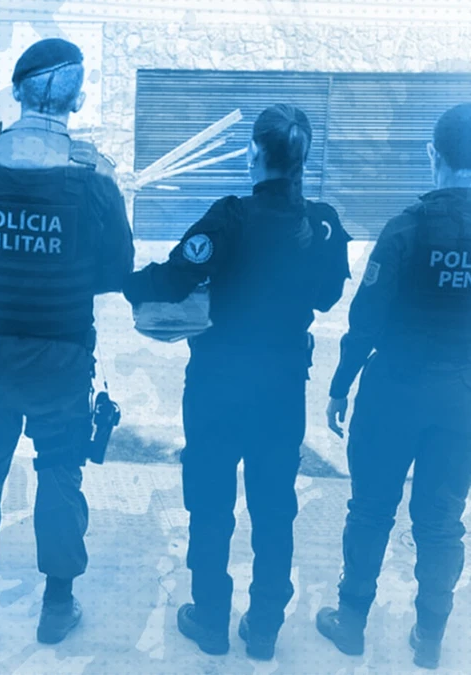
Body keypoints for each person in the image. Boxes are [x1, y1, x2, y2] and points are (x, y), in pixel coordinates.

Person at [123, 105, 352, 660]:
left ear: (254, 154)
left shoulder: (229, 217)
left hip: (216, 387)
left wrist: (123, 283)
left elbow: (172, 280)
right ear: (302, 161)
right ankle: (265, 627)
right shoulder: (322, 224)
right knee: (274, 507)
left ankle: (209, 619)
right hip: (281, 391)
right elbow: (327, 297)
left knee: (210, 503)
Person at [0, 37, 135, 647]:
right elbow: (117, 270)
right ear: (77, 99)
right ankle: (57, 607)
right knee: (60, 474)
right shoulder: (93, 174)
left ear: (16, 91)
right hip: (62, 357)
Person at [316, 103, 471, 670]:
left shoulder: (406, 230)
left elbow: (365, 321)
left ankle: (350, 623)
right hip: (470, 398)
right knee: (441, 521)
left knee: (371, 510)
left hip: (395, 394)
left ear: (432, 155)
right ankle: (429, 638)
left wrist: (340, 385)